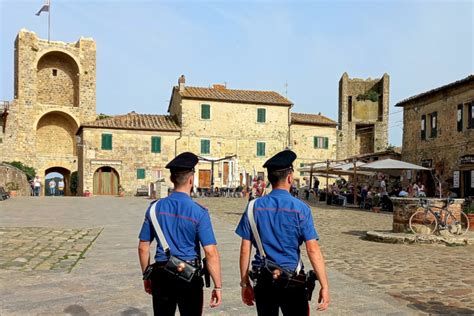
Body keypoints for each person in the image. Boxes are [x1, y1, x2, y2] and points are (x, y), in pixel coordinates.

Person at [235, 150, 330, 315]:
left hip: (264, 279)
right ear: (290, 177)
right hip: (292, 280)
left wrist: (245, 283)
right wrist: (325, 285)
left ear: (269, 179)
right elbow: (312, 249)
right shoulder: (301, 209)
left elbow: (245, 249)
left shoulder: (252, 207)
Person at [138, 152, 222, 315]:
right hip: (189, 275)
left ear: (171, 179)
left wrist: (146, 275)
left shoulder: (154, 208)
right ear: (191, 179)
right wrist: (217, 286)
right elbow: (210, 252)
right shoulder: (199, 212)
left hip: (161, 274)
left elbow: (143, 247)